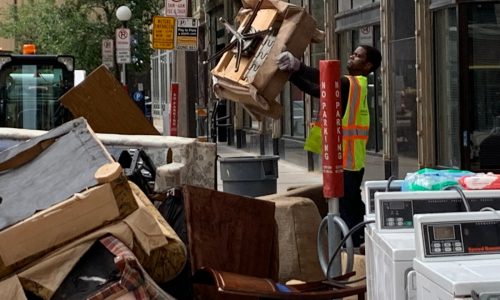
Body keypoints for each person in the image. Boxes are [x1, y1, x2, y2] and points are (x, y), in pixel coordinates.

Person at [276, 45, 382, 247]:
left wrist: (297, 69)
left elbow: (323, 83)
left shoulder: (352, 84)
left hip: (346, 159)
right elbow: (321, 85)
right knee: (349, 202)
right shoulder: (352, 84)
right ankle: (357, 241)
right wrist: (294, 72)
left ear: (367, 65)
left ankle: (351, 243)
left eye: (358, 56)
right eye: (353, 52)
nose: (352, 56)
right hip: (347, 157)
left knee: (346, 204)